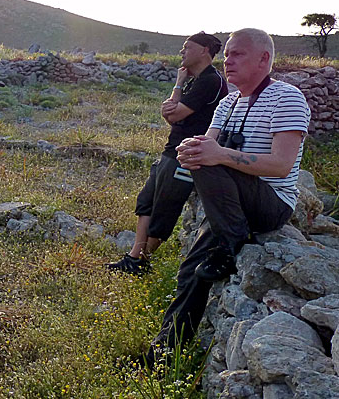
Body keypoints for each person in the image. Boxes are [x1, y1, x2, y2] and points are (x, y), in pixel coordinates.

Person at [141, 28, 311, 364]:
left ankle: (231, 240)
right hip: (231, 206)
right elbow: (208, 145)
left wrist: (216, 155)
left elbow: (280, 166)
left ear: (264, 59)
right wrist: (193, 148)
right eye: (227, 53)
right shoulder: (228, 102)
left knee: (209, 157)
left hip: (270, 203)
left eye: (238, 54)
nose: (228, 60)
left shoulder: (287, 98)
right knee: (192, 269)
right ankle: (162, 354)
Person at [107, 32, 228, 276]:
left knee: (165, 208)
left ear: (205, 50)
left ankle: (141, 261)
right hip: (172, 150)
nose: (182, 51)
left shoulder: (210, 81)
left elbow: (173, 115)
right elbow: (170, 115)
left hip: (188, 155)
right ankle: (135, 257)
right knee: (147, 201)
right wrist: (179, 83)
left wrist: (177, 91)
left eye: (187, 47)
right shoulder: (195, 80)